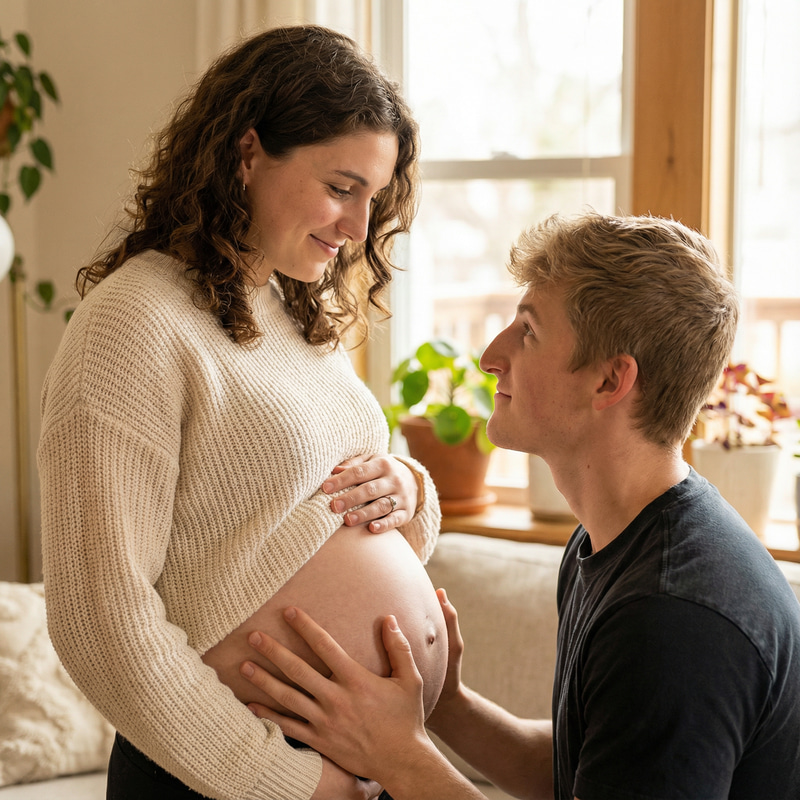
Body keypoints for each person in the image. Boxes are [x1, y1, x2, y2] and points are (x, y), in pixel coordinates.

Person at [237, 212, 800, 800]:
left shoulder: (673, 621)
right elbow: (581, 774)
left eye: (528, 331)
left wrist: (401, 758)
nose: (489, 354)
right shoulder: (611, 541)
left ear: (610, 382)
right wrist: (447, 707)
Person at [38, 25, 449, 800]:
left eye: (374, 196)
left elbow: (307, 515)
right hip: (226, 774)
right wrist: (289, 780)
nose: (360, 229)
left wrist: (409, 490)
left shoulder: (291, 315)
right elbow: (101, 623)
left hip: (353, 760)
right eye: (341, 186)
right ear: (248, 153)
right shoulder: (135, 321)